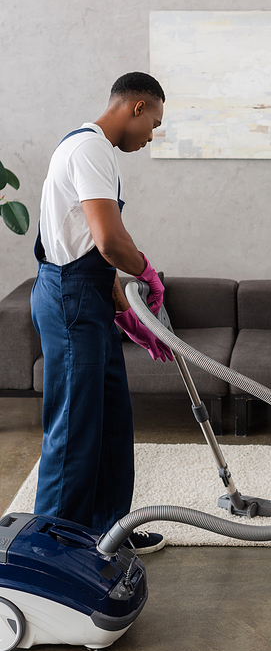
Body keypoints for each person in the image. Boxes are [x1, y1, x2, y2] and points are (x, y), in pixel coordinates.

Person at [31, 72, 173, 554]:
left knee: (111, 419)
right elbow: (110, 241)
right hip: (70, 297)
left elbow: (85, 241)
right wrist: (147, 271)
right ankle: (52, 553)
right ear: (136, 107)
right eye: (153, 123)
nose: (151, 135)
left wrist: (123, 305)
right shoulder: (90, 149)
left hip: (87, 292)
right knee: (74, 426)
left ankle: (108, 531)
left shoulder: (93, 151)